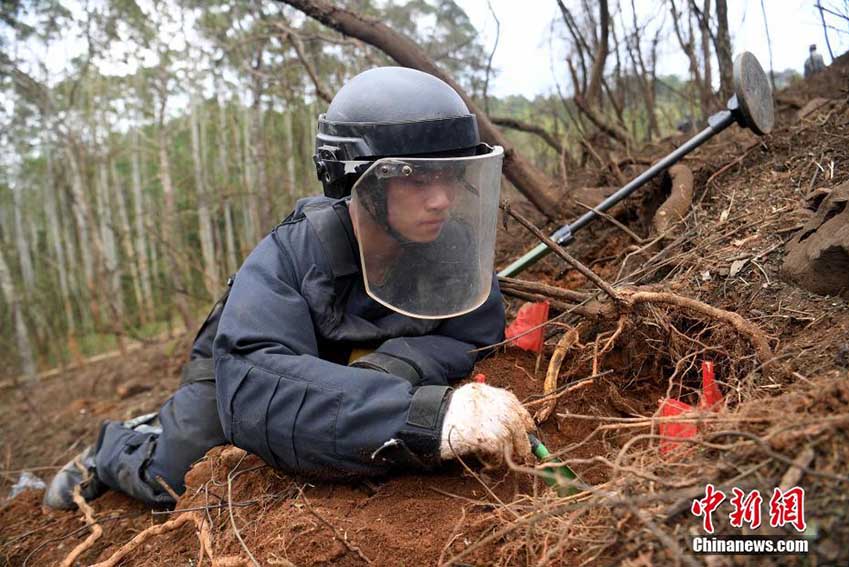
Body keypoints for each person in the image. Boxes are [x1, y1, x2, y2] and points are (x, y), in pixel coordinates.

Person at [44, 67, 536, 510]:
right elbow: (255, 389)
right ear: (356, 178)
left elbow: (473, 333)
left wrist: (393, 366)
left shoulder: (448, 243)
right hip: (245, 363)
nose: (442, 200)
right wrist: (423, 417)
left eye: (451, 176)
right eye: (415, 177)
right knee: (173, 478)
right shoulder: (289, 255)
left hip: (347, 363)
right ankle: (115, 448)